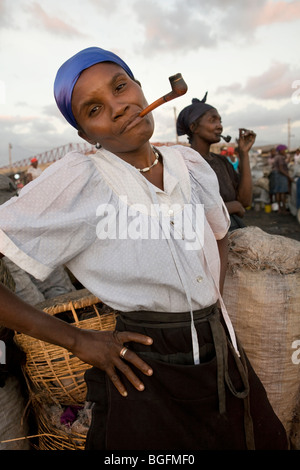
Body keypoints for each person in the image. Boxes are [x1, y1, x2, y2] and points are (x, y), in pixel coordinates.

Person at [0, 47, 287, 450]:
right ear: (86, 134)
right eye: (94, 109)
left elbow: (218, 233)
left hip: (220, 345)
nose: (118, 108)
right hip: (143, 363)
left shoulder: (189, 164)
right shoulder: (80, 180)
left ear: (140, 87)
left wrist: (211, 297)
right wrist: (79, 341)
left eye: (120, 87)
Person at [176, 95, 255, 231]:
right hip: (205, 241)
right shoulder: (183, 163)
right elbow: (186, 213)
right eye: (213, 120)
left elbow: (245, 202)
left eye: (220, 121)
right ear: (194, 127)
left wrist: (244, 153)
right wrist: (230, 207)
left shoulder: (222, 161)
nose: (220, 126)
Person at [273, 144, 293, 214]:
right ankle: (283, 209)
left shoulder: (277, 157)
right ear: (281, 150)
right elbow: (281, 169)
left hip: (277, 176)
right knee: (283, 192)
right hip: (281, 176)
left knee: (278, 192)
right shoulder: (280, 157)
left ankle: (279, 209)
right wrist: (289, 177)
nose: (285, 151)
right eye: (285, 150)